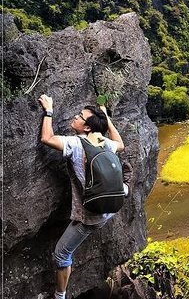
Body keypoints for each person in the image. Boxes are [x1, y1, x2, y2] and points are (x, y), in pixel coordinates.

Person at [38, 94, 125, 299]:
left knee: (61, 254)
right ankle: (125, 189)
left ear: (86, 128)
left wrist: (48, 110)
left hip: (90, 216)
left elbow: (47, 138)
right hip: (108, 208)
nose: (75, 117)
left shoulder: (76, 144)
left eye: (80, 116)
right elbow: (120, 144)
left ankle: (60, 296)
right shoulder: (105, 143)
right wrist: (105, 117)